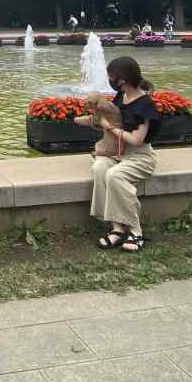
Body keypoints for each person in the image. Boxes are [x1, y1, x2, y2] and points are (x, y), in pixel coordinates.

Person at [73, 56, 160, 253]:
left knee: (115, 175)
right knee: (99, 168)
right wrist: (93, 120)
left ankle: (135, 230)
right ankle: (117, 228)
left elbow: (137, 140)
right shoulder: (121, 97)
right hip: (117, 152)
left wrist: (108, 127)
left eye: (111, 76)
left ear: (121, 79)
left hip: (140, 156)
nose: (109, 80)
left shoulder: (145, 105)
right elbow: (115, 118)